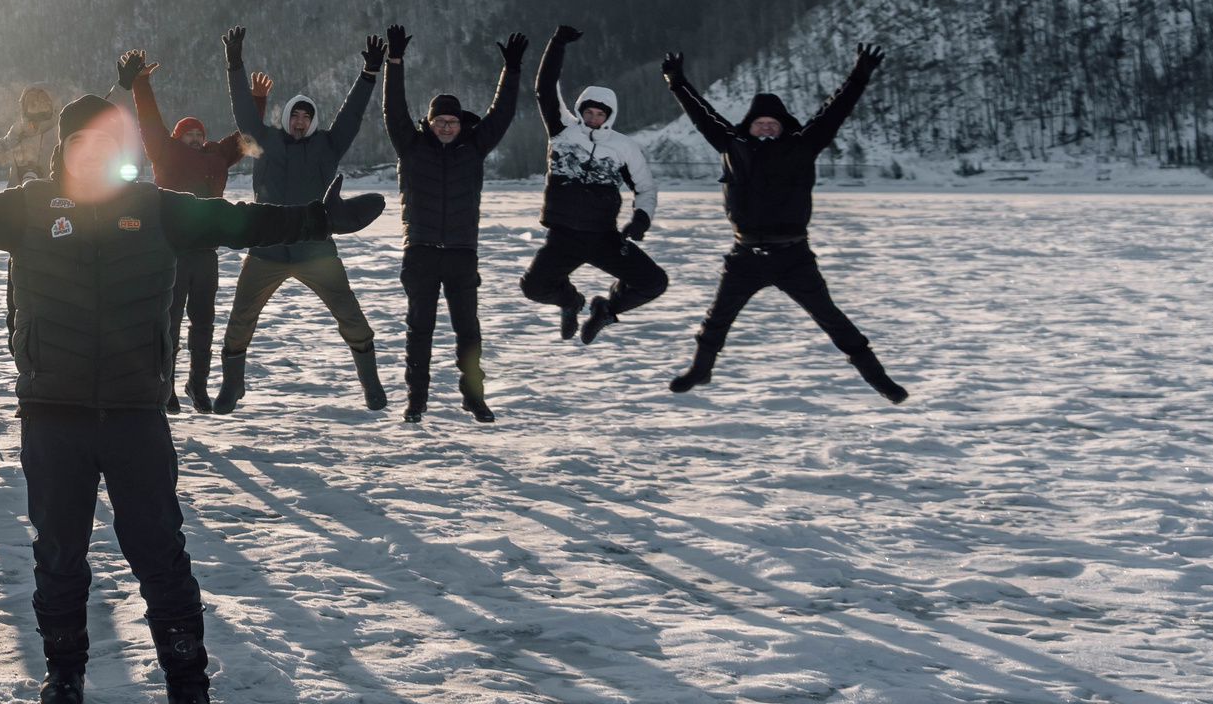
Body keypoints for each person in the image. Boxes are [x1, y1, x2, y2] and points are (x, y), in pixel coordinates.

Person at [0, 94, 387, 704]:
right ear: (65, 147)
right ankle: (64, 672)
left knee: (161, 556)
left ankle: (189, 689)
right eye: (84, 141)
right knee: (59, 554)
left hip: (135, 412)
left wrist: (316, 217)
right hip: (54, 412)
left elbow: (242, 223)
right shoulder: (27, 206)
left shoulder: (160, 208)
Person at [661, 46, 907, 402]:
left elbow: (833, 112)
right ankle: (701, 368)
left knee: (831, 318)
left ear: (783, 126)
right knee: (718, 317)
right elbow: (702, 115)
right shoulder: (731, 144)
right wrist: (677, 82)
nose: (765, 127)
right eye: (759, 122)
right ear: (749, 124)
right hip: (745, 255)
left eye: (772, 123)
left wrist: (859, 76)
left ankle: (877, 377)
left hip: (793, 255)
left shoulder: (803, 145)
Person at [216, 26, 389, 411]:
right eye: (295, 114)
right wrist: (235, 64)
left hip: (316, 249)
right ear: (286, 116)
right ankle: (232, 384)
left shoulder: (329, 145)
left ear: (312, 121)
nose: (300, 121)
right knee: (241, 317)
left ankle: (370, 381)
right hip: (267, 248)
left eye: (306, 116)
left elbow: (353, 114)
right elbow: (243, 108)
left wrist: (369, 75)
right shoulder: (263, 141)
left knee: (350, 315)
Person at [381, 26, 525, 423]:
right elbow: (393, 109)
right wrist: (395, 63)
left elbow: (502, 114)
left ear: (462, 124)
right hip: (422, 252)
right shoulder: (411, 146)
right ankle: (417, 400)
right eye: (440, 121)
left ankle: (473, 396)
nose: (446, 126)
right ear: (429, 123)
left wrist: (511, 71)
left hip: (462, 253)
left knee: (469, 332)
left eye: (452, 121)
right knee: (419, 331)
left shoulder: (474, 148)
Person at [117, 49, 252, 414]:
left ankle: (198, 384)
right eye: (188, 133)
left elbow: (247, 136)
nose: (194, 137)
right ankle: (167, 386)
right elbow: (148, 120)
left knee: (204, 324)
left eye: (199, 133)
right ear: (178, 136)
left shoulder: (217, 155)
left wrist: (256, 99)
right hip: (173, 252)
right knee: (170, 324)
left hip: (206, 254)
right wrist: (141, 83)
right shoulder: (164, 151)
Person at [519, 25, 668, 344]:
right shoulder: (562, 131)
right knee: (533, 288)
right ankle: (571, 301)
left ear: (609, 116)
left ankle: (606, 310)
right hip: (563, 237)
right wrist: (557, 44)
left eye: (600, 114)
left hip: (605, 237)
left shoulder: (624, 146)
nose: (594, 118)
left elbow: (645, 188)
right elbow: (545, 89)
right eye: (589, 111)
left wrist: (641, 219)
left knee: (654, 282)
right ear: (580, 110)